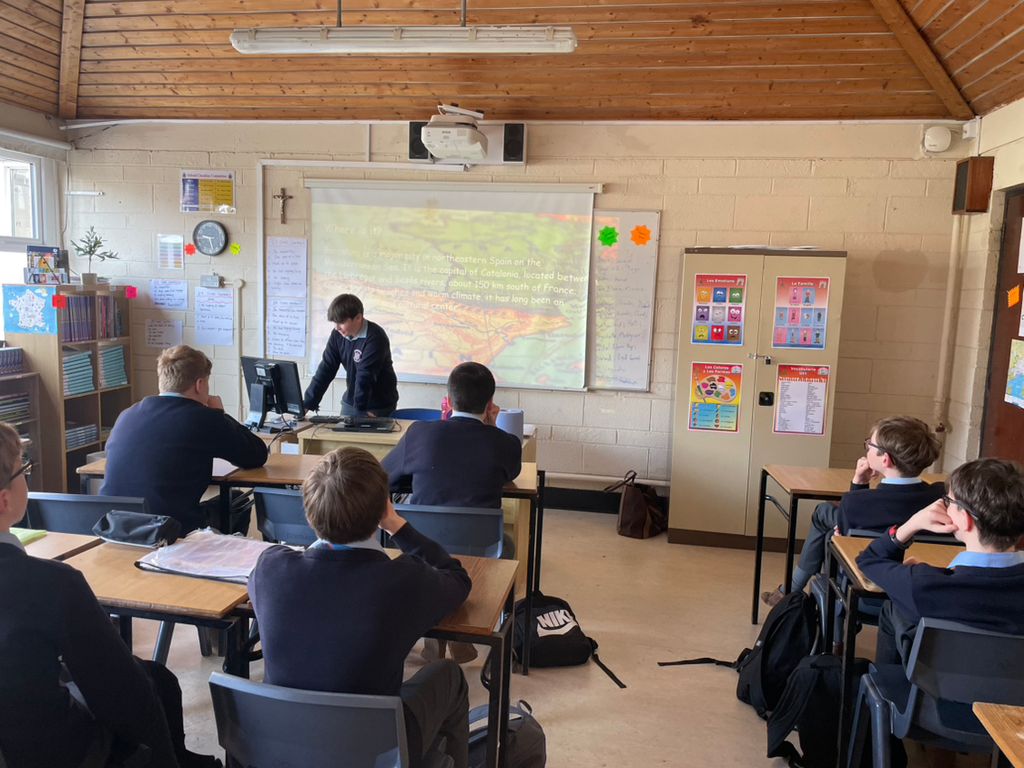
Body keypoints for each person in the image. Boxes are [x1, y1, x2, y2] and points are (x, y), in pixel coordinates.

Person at [0, 422, 219, 768]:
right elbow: (125, 697)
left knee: (153, 679)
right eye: (23, 470)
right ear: (4, 499)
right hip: (47, 752)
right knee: (145, 690)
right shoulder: (50, 584)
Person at [249, 447, 471, 768]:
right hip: (375, 748)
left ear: (309, 513)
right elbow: (457, 580)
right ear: (383, 508)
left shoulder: (270, 569)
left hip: (281, 742)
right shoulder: (405, 580)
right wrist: (398, 526)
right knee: (450, 675)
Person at [859, 457, 1024, 667]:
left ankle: (885, 678)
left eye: (948, 501)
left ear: (965, 519)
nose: (944, 506)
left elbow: (869, 560)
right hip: (1011, 686)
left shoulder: (922, 584)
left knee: (893, 609)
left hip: (939, 687)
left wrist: (912, 524)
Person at [762, 416, 944, 606]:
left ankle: (790, 590)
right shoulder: (941, 497)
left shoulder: (856, 502)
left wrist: (858, 483)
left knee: (824, 514)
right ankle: (789, 589)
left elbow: (847, 538)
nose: (867, 448)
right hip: (925, 592)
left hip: (863, 590)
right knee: (826, 514)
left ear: (885, 459)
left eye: (870, 445)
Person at [102, 345, 268, 533]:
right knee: (237, 499)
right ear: (199, 385)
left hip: (114, 527)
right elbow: (256, 455)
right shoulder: (204, 418)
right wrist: (219, 414)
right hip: (169, 528)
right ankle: (221, 552)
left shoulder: (127, 414)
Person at [381, 361, 521, 510]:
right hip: (481, 526)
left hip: (423, 525)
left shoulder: (418, 433)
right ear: (490, 404)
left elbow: (382, 475)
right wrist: (493, 428)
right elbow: (510, 474)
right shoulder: (507, 444)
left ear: (448, 401)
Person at [303, 293, 399, 417]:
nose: (337, 328)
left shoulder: (375, 337)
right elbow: (326, 368)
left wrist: (360, 412)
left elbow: (365, 375)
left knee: (360, 428)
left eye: (341, 322)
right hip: (351, 400)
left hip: (378, 405)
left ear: (358, 318)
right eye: (335, 322)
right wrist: (308, 403)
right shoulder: (337, 335)